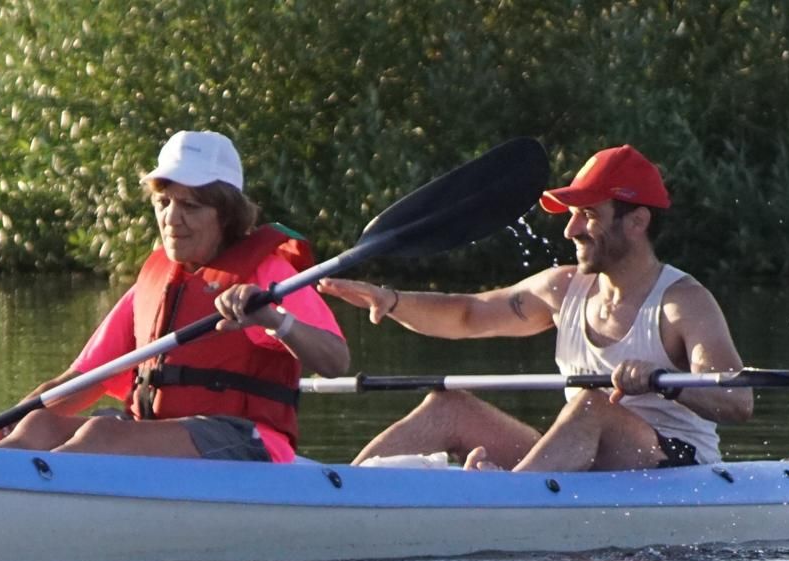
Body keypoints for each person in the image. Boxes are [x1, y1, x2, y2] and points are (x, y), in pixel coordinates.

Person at [319, 144, 750, 472]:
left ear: (636, 222)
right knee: (447, 406)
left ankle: (505, 500)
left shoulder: (682, 303)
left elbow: (737, 401)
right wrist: (391, 300)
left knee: (589, 405)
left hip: (673, 465)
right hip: (587, 452)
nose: (571, 229)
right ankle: (340, 494)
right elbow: (468, 314)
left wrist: (665, 383)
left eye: (587, 214)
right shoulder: (562, 289)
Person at [0, 130, 349, 462]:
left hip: (248, 441)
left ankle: (21, 493)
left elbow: (335, 360)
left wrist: (274, 320)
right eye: (163, 202)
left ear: (226, 214)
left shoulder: (267, 274)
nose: (172, 219)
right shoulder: (155, 282)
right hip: (152, 434)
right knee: (40, 425)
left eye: (190, 206)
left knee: (102, 433)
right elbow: (81, 380)